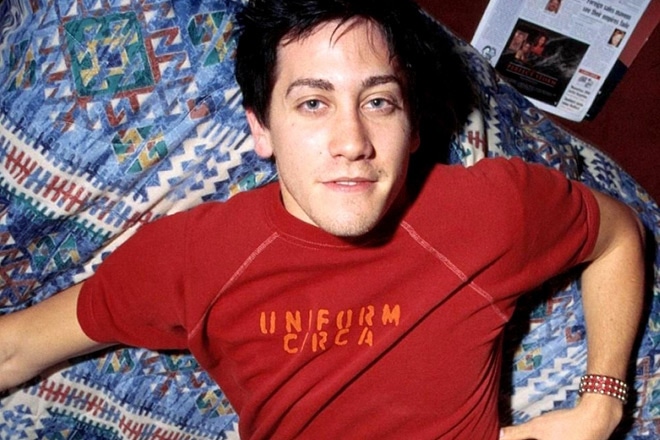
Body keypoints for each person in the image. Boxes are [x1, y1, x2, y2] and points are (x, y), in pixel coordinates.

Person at [0, 0, 646, 439]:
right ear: (261, 128)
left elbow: (619, 235)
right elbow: (17, 347)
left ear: (414, 125)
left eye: (379, 102)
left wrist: (600, 405)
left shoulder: (488, 213)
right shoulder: (193, 257)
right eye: (313, 103)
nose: (352, 142)